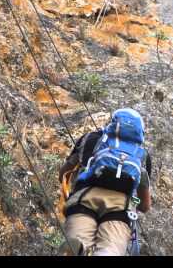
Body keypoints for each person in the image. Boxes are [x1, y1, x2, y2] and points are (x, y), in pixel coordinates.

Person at [58, 108, 152, 256]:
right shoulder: (142, 155)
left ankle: (80, 245)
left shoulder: (90, 138)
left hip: (83, 199)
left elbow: (64, 173)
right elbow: (145, 205)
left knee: (77, 238)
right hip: (120, 208)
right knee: (111, 248)